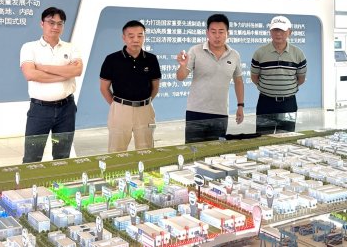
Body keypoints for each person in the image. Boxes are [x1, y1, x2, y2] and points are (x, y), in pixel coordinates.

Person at [19, 7, 83, 163]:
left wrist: (43, 68)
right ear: (42, 23)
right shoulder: (29, 47)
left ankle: (59, 179)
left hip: (66, 109)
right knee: (32, 156)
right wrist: (65, 74)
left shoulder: (71, 47)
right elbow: (30, 74)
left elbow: (77, 70)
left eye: (60, 23)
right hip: (40, 110)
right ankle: (30, 180)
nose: (56, 27)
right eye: (51, 22)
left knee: (62, 155)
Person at [176, 14, 244, 143]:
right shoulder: (195, 50)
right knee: (193, 151)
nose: (217, 36)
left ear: (228, 33)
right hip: (196, 112)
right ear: (207, 33)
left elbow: (238, 81)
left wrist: (240, 105)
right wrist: (182, 66)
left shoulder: (234, 55)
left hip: (220, 114)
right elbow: (181, 77)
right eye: (213, 32)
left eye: (221, 32)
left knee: (216, 151)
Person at [100, 20, 161, 152]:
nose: (136, 40)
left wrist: (145, 103)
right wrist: (117, 105)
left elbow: (155, 87)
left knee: (146, 150)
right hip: (120, 110)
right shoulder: (112, 59)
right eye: (131, 36)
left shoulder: (151, 59)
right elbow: (104, 88)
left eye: (140, 36)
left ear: (144, 37)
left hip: (145, 110)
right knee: (117, 150)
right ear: (124, 38)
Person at [251, 16, 307, 134]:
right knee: (263, 137)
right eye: (275, 30)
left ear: (289, 32)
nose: (278, 33)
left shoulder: (298, 53)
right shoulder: (260, 53)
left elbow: (301, 79)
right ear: (270, 32)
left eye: (282, 30)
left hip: (288, 103)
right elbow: (254, 77)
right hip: (265, 102)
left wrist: (286, 88)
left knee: (286, 137)